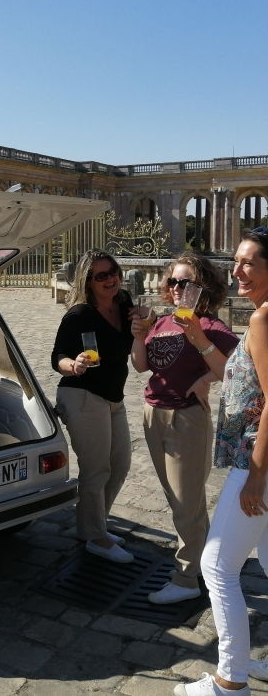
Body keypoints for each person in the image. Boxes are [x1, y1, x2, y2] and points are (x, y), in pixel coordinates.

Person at [174, 228, 268, 696]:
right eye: (236, 261)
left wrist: (255, 475)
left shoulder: (264, 321)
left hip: (258, 463)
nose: (238, 271)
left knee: (217, 568)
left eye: (250, 262)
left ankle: (230, 683)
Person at [131, 251, 238, 604]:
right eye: (173, 281)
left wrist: (205, 370)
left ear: (202, 287)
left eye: (186, 282)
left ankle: (186, 579)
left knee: (186, 502)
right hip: (153, 413)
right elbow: (142, 366)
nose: (177, 288)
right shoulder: (161, 322)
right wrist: (137, 334)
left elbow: (237, 368)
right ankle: (206, 565)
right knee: (177, 498)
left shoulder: (209, 326)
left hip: (186, 418)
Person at [51, 249, 135, 563]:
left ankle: (92, 525)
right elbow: (56, 356)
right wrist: (73, 364)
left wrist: (143, 321)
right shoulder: (79, 315)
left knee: (121, 464)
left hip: (114, 396)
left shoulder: (124, 302)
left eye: (112, 271)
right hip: (82, 395)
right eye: (101, 276)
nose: (110, 279)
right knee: (96, 469)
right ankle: (96, 537)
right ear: (88, 281)